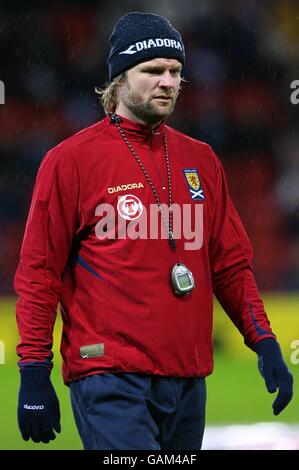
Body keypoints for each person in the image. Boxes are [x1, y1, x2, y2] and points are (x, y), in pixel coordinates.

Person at [15, 12, 293, 450]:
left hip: (186, 379)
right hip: (108, 376)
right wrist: (33, 369)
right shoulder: (70, 162)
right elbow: (39, 272)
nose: (167, 82)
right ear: (119, 79)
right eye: (152, 71)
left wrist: (264, 341)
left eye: (175, 72)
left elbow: (230, 266)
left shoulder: (200, 160)